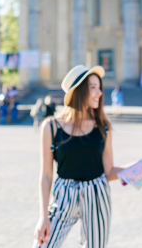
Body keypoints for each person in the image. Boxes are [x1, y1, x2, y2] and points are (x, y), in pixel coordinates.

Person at [33, 65, 132, 248]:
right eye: (93, 87)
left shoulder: (103, 127)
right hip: (64, 195)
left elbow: (108, 171)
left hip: (97, 194)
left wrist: (139, 166)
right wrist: (43, 216)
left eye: (99, 87)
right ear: (78, 91)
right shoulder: (51, 126)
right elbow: (46, 175)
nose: (100, 93)